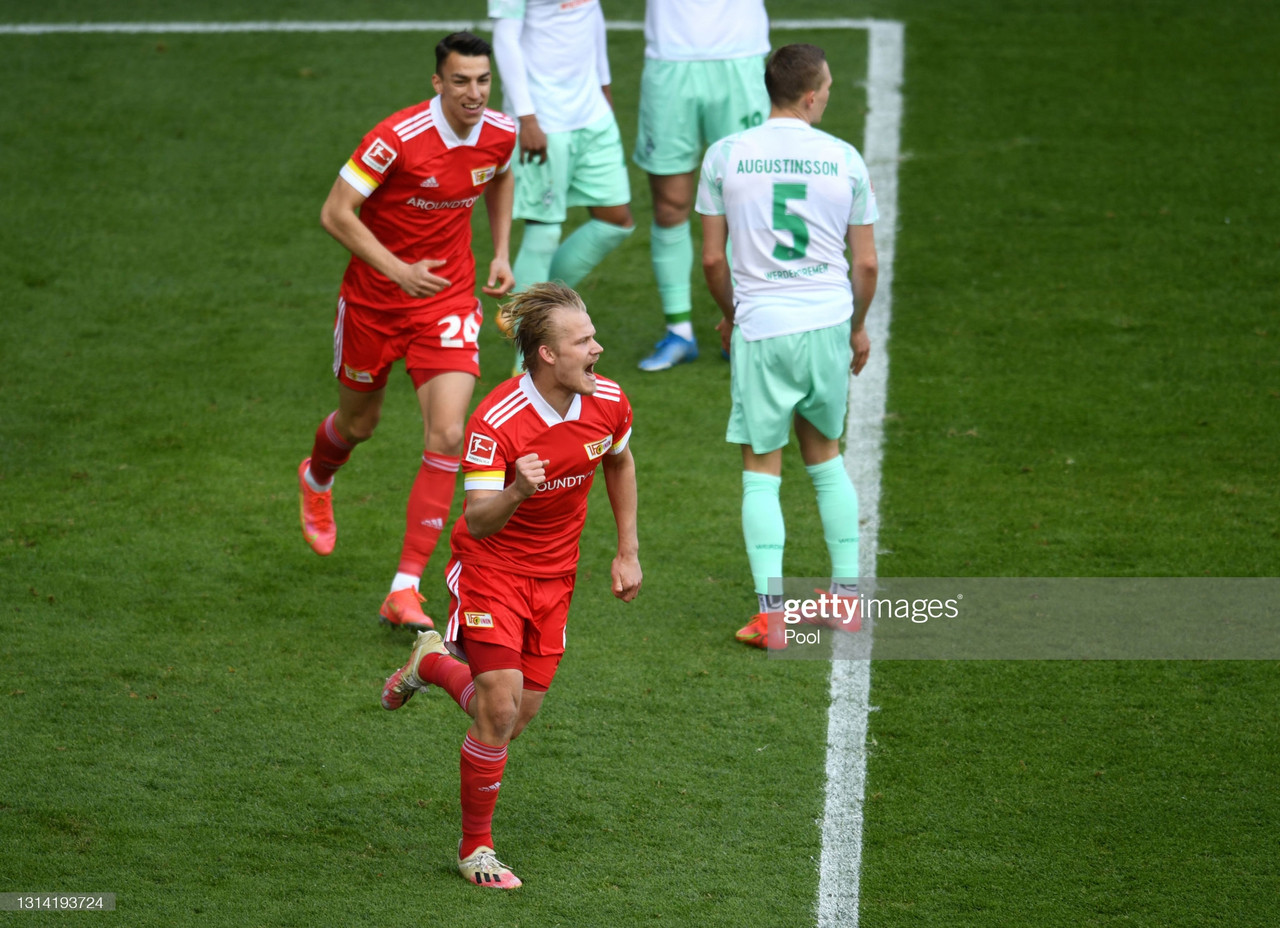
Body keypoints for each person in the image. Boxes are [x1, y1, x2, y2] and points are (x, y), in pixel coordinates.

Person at [379, 281, 641, 888]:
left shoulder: (609, 401)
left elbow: (620, 461)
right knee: (497, 712)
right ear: (547, 354)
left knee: (514, 720)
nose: (597, 349)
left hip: (557, 580)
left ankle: (432, 663)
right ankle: (476, 850)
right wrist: (518, 489)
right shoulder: (495, 422)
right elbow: (476, 518)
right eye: (583, 341)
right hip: (491, 572)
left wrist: (626, 551)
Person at [296, 32, 516, 632]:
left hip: (445, 301)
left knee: (448, 434)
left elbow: (498, 176)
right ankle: (317, 475)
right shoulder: (395, 138)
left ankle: (404, 587)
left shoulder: (501, 130)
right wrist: (397, 270)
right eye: (462, 81)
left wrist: (500, 250)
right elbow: (334, 211)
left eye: (483, 80)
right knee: (358, 425)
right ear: (437, 82)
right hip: (372, 304)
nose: (474, 93)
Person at [694, 43, 878, 648]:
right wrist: (855, 327)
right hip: (827, 321)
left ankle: (771, 614)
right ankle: (847, 596)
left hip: (763, 325)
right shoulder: (844, 159)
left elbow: (713, 259)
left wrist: (730, 316)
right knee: (825, 456)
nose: (829, 94)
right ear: (809, 95)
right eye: (827, 87)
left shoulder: (725, 156)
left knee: (760, 469)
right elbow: (867, 265)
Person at [633, 0, 770, 371]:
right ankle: (680, 332)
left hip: (739, 56)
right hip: (670, 59)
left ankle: (747, 325)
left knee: (747, 199)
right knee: (670, 204)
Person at [489, 0, 634, 343]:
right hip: (544, 116)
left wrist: (605, 87)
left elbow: (590, 14)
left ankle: (524, 307)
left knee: (616, 219)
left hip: (592, 115)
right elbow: (505, 38)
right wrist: (526, 117)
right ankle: (525, 361)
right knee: (545, 230)